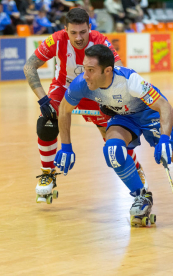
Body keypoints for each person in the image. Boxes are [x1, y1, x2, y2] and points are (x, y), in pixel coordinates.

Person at [54, 44, 173, 225]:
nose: (85, 75)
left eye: (91, 70)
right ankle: (141, 197)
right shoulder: (82, 84)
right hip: (123, 117)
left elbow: (164, 106)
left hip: (150, 115)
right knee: (112, 151)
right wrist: (66, 147)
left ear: (107, 71)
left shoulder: (130, 81)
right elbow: (63, 109)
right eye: (84, 68)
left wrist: (164, 139)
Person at [23, 8, 147, 203]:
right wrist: (42, 99)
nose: (78, 38)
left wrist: (114, 98)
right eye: (73, 33)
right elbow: (29, 66)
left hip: (95, 89)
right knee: (46, 123)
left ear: (90, 27)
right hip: (64, 88)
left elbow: (120, 68)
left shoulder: (100, 41)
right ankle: (48, 172)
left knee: (114, 133)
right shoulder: (56, 40)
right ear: (65, 30)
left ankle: (135, 167)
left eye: (83, 32)